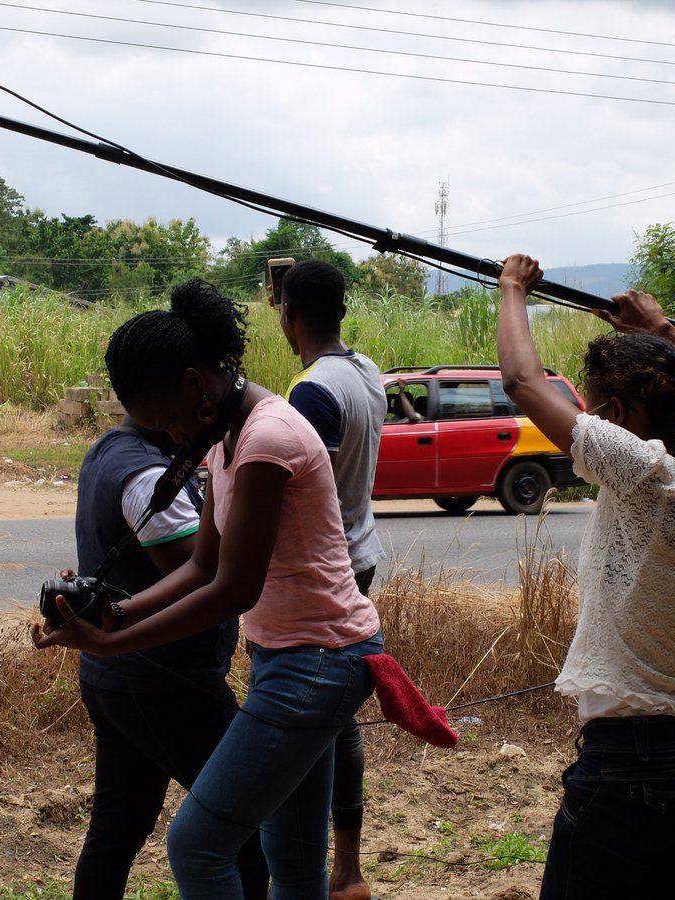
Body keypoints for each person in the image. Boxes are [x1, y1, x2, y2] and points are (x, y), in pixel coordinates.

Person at [32, 278, 383, 900]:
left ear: (196, 385)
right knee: (295, 860)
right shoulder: (228, 438)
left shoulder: (267, 439)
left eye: (166, 421)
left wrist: (113, 646)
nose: (168, 438)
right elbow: (200, 566)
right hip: (296, 658)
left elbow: (232, 590)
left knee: (197, 845)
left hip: (319, 663)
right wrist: (112, 614)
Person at [496, 254, 675, 900]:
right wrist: (667, 330)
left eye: (592, 410)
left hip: (627, 768)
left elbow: (523, 384)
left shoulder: (639, 473)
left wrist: (513, 288)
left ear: (612, 413)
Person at [66, 383, 268, 898]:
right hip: (167, 684)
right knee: (245, 828)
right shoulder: (149, 476)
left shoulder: (107, 450)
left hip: (114, 680)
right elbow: (205, 577)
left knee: (117, 831)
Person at [278, 259, 387, 900]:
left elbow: (295, 493)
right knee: (333, 715)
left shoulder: (312, 393)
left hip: (327, 564)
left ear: (288, 314)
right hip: (361, 548)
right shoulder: (365, 371)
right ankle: (343, 868)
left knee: (320, 719)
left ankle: (333, 870)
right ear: (341, 311)